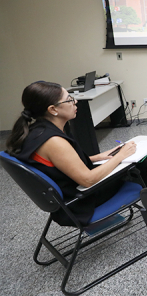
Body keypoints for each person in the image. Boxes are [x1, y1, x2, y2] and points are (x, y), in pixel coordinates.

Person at [5, 81, 139, 226]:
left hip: (69, 195)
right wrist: (120, 156)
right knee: (139, 167)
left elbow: (58, 164)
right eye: (69, 99)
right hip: (81, 201)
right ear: (53, 109)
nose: (75, 102)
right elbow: (87, 180)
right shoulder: (54, 141)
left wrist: (97, 158)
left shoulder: (37, 131)